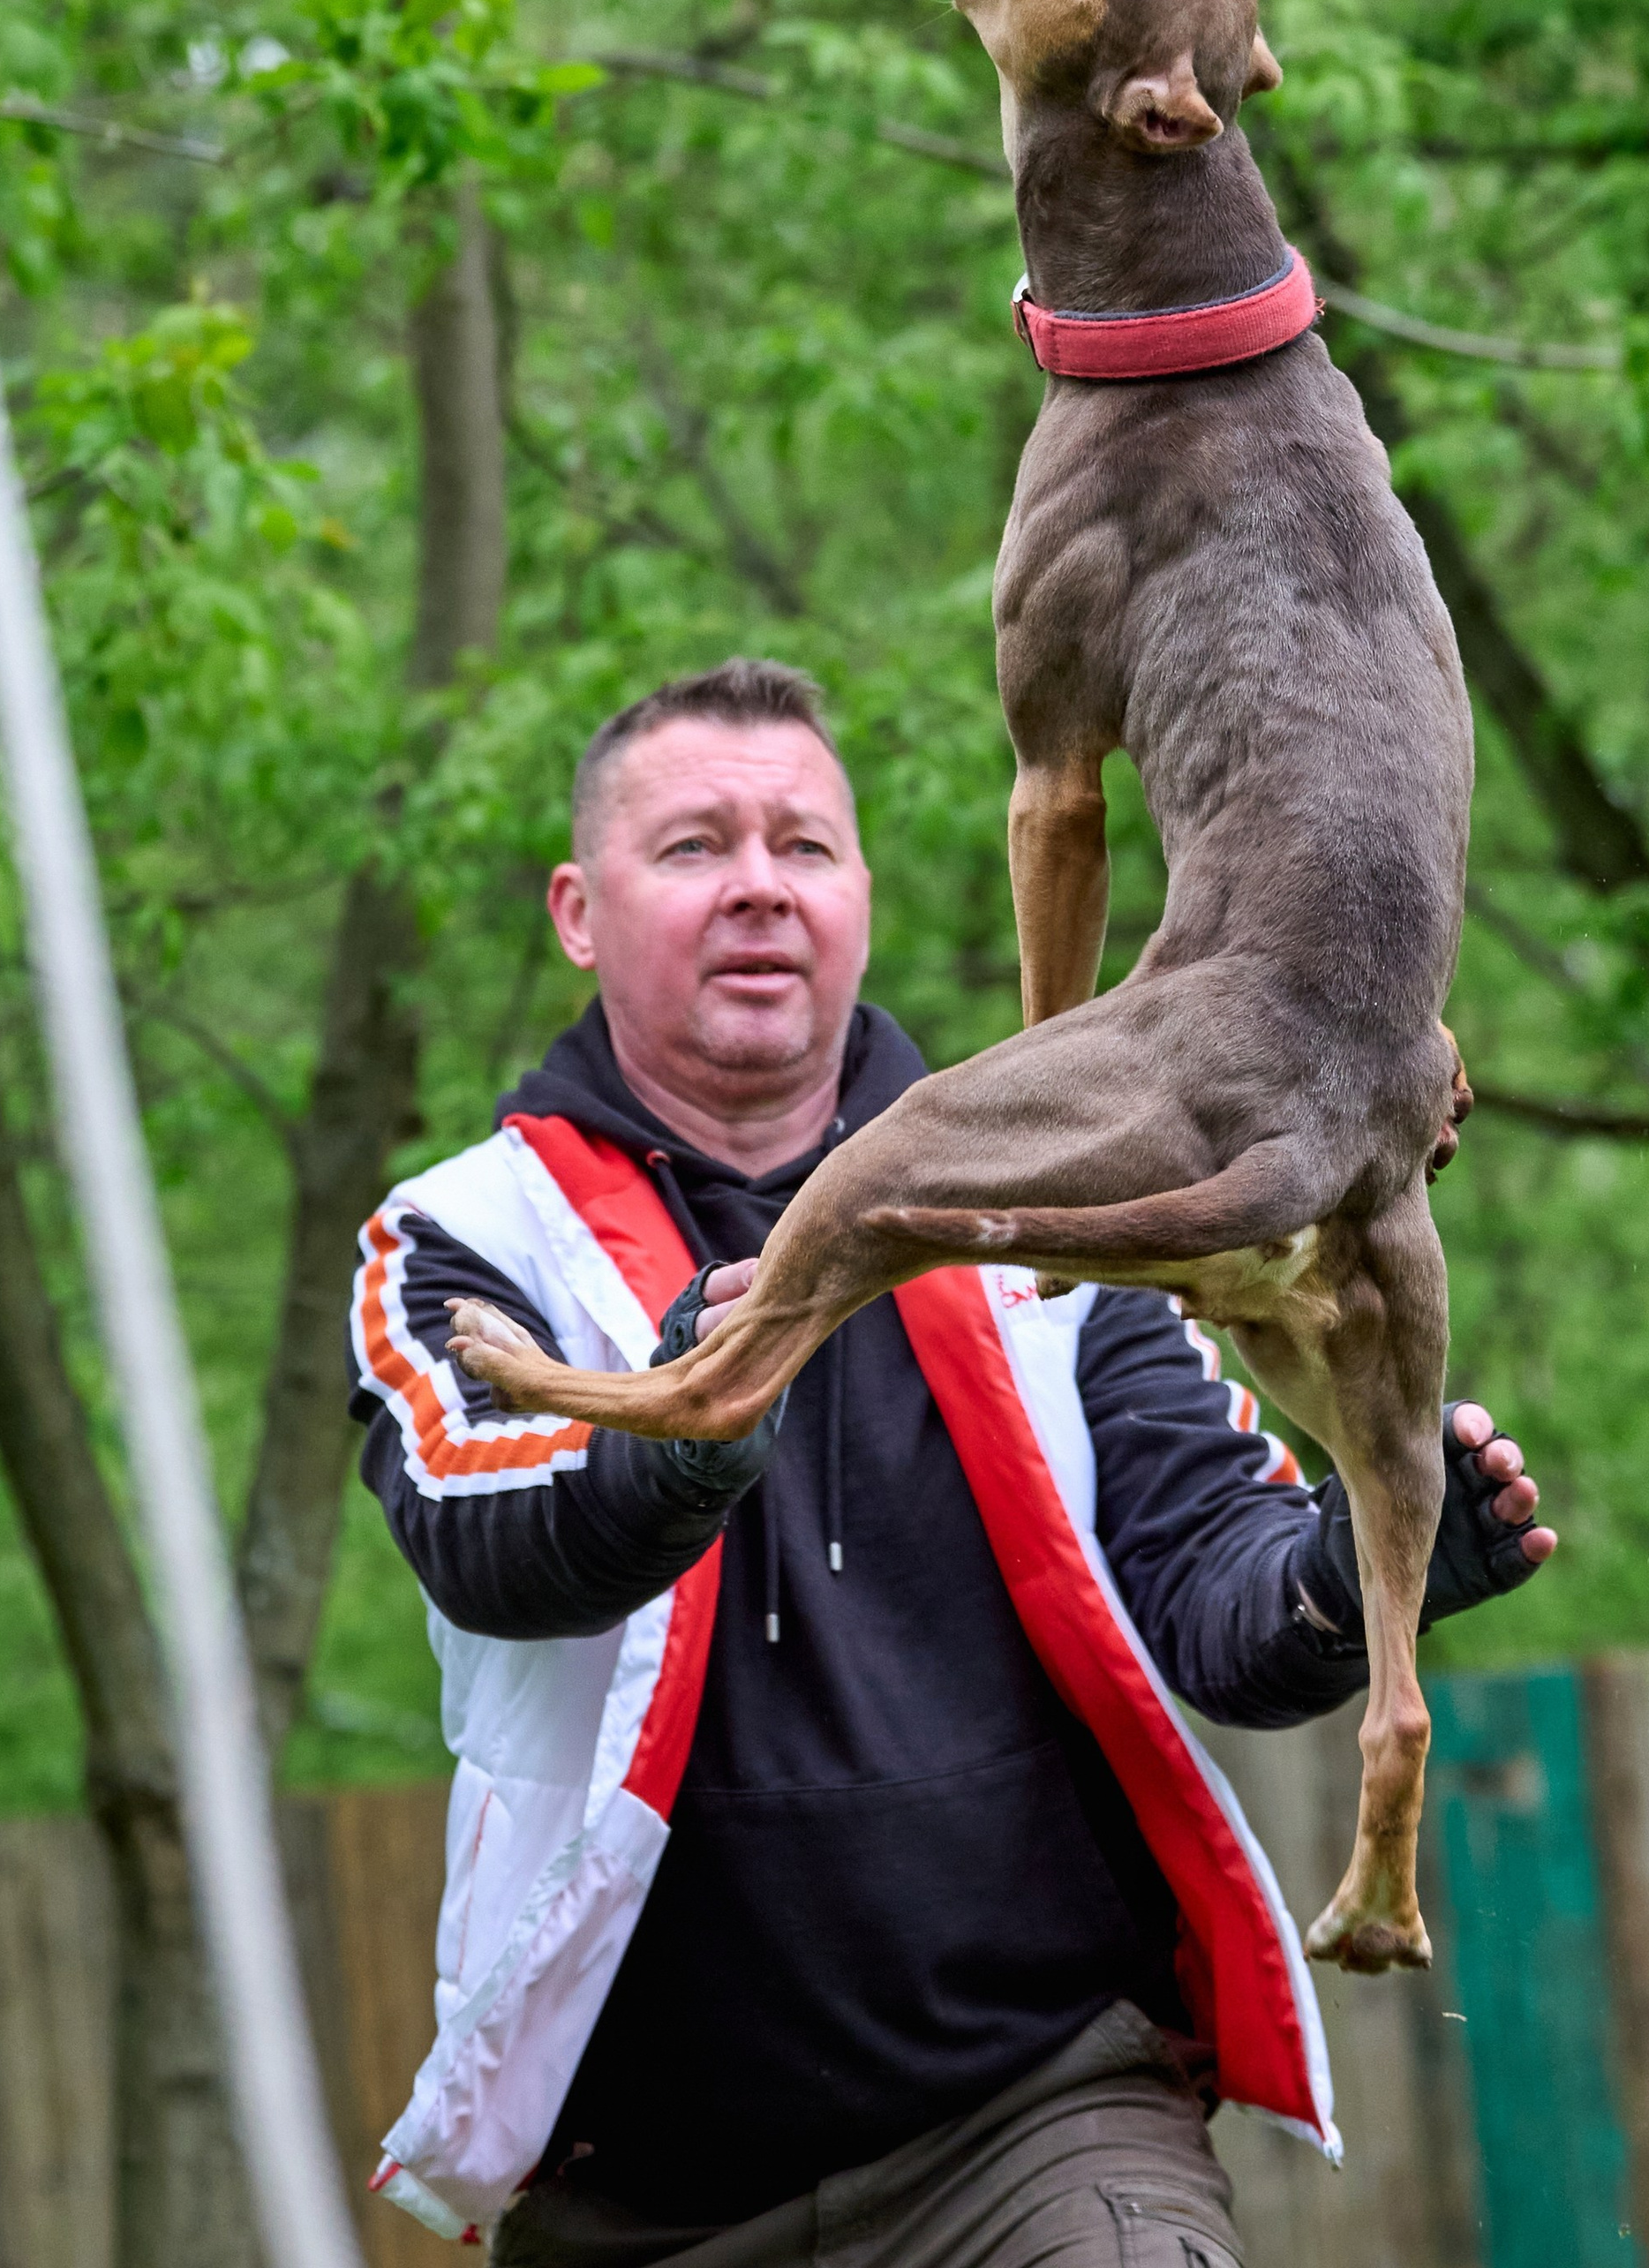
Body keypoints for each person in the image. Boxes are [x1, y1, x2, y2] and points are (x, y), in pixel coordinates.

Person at [349, 658, 1555, 2264]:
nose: (760, 886)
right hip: (633, 2189)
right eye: (696, 845)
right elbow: (486, 1545)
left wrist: (1364, 1563)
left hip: (1040, 2126)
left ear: (863, 896)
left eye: (805, 844)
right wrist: (699, 1408)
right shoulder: (455, 1235)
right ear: (578, 911)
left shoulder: (1068, 1203)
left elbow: (1219, 1604)